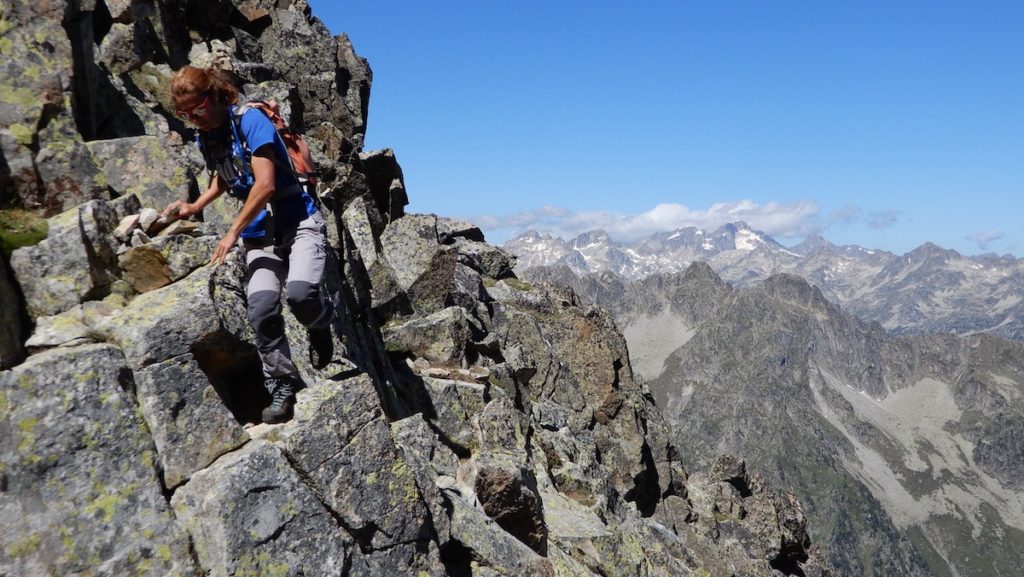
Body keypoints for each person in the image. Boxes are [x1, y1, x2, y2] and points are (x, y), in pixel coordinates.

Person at [162, 66, 333, 424]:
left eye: (196, 110)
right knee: (261, 309)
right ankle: (283, 383)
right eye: (184, 115)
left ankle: (320, 326)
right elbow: (224, 177)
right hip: (260, 233)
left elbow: (265, 184)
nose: (193, 119)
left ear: (214, 97)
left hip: (298, 221)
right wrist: (194, 206)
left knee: (301, 294)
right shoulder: (207, 137)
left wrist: (232, 232)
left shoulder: (250, 120)